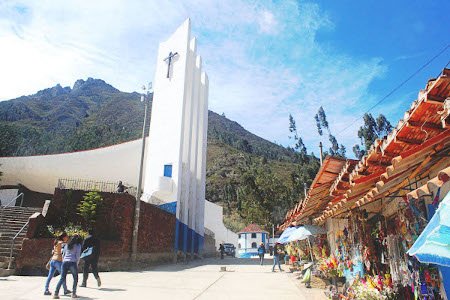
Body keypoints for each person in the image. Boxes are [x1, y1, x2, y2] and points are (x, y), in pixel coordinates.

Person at [53, 234, 82, 299]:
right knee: (75, 278)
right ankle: (73, 294)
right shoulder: (78, 245)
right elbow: (77, 256)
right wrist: (77, 264)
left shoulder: (67, 244)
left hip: (65, 262)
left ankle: (56, 293)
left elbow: (63, 254)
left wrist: (63, 262)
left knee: (62, 278)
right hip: (72, 262)